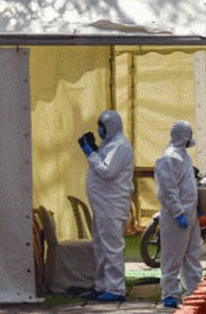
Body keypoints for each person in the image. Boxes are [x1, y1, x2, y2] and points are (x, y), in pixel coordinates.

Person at [77, 109, 134, 302]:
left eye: (103, 126)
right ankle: (102, 285)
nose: (100, 129)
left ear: (111, 126)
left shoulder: (120, 146)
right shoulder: (108, 144)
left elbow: (107, 171)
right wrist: (94, 149)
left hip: (112, 204)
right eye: (99, 125)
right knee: (101, 247)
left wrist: (91, 154)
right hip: (102, 204)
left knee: (112, 246)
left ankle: (116, 289)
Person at [154, 121, 204, 309]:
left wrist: (197, 206)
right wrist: (178, 212)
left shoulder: (183, 156)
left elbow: (187, 185)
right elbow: (167, 190)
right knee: (172, 256)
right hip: (176, 217)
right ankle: (169, 294)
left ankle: (193, 291)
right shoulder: (169, 158)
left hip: (189, 214)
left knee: (192, 255)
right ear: (184, 135)